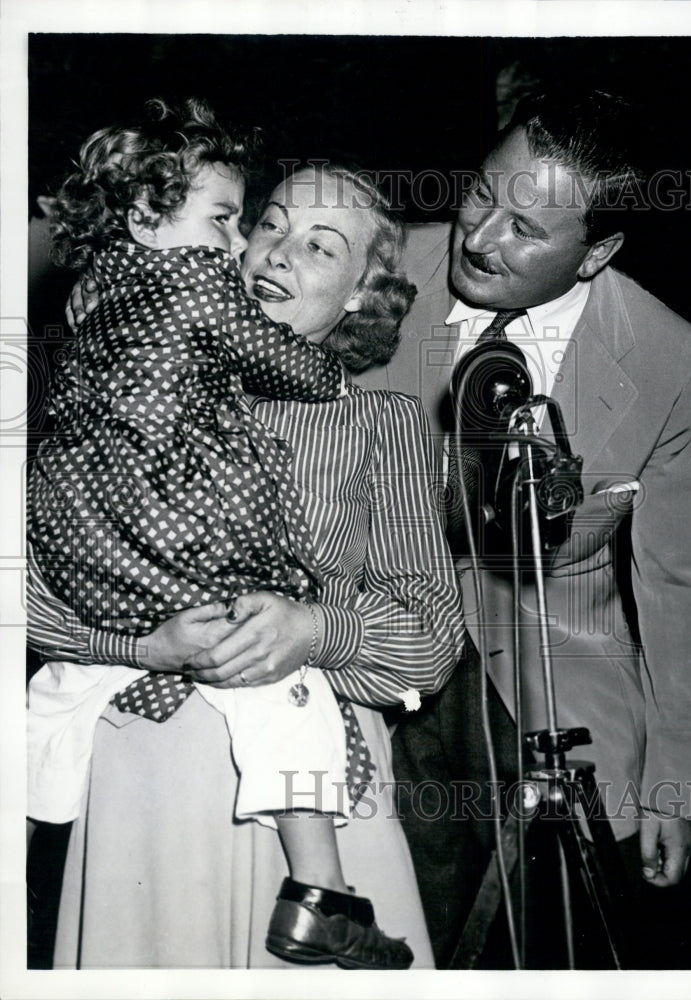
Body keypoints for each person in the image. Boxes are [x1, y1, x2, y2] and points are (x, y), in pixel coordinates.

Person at [27, 157, 464, 968]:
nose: (276, 253)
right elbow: (29, 591)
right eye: (267, 225)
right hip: (136, 774)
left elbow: (433, 637)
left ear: (364, 294)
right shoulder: (120, 375)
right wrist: (137, 647)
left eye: (320, 247)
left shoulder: (379, 421)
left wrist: (316, 630)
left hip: (313, 786)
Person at [355, 88, 691, 966]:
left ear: (597, 252)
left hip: (560, 676)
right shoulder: (370, 266)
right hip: (367, 644)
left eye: (525, 227)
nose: (479, 238)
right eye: (481, 195)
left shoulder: (673, 359)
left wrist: (678, 784)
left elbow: (680, 584)